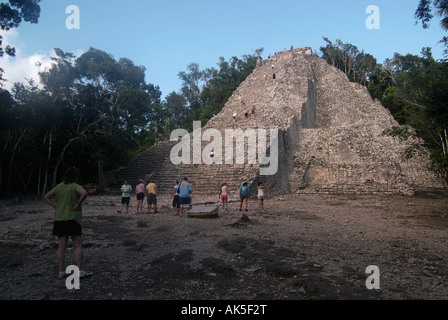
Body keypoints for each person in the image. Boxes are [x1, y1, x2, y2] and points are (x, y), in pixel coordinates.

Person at [43, 167, 92, 280]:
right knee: (78, 245)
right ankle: (80, 270)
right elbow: (84, 193)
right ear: (75, 176)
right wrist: (78, 204)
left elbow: (46, 197)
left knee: (61, 246)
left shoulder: (58, 186)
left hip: (60, 218)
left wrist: (56, 206)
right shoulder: (74, 186)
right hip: (73, 218)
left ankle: (61, 271)